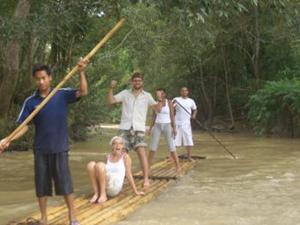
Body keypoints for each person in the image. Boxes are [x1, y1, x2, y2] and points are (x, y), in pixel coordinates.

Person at [0, 59, 89, 225]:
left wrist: (81, 72)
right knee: (41, 187)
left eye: (43, 78)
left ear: (50, 78)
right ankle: (44, 218)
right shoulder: (31, 101)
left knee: (65, 184)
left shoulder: (61, 93)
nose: (41, 81)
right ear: (35, 80)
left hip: (60, 147)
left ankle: (73, 217)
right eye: (38, 79)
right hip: (41, 149)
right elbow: (24, 126)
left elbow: (83, 92)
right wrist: (8, 139)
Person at [107, 72, 163, 188]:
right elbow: (111, 101)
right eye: (135, 80)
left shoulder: (147, 96)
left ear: (142, 82)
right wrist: (111, 88)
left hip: (139, 128)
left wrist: (160, 99)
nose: (137, 82)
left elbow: (158, 109)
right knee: (120, 154)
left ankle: (146, 179)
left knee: (142, 153)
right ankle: (121, 178)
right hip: (124, 127)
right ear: (132, 82)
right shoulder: (125, 93)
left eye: (139, 80)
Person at [86, 136, 144, 203]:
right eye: (115, 143)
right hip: (105, 185)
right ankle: (96, 193)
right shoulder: (108, 156)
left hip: (114, 187)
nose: (118, 145)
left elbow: (128, 174)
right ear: (112, 146)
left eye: (120, 143)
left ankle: (103, 195)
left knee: (99, 165)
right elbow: (101, 172)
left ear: (123, 146)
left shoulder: (125, 157)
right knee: (91, 165)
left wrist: (136, 191)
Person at [148, 88, 181, 173]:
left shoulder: (169, 102)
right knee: (152, 147)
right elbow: (153, 116)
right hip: (157, 125)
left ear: (164, 94)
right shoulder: (155, 103)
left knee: (171, 146)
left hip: (167, 125)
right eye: (157, 94)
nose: (159, 95)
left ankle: (177, 166)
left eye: (160, 93)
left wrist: (174, 128)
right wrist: (150, 128)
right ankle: (148, 166)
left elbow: (172, 116)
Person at [173, 87, 197, 161]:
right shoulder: (176, 99)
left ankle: (189, 157)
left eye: (185, 91)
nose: (184, 92)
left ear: (187, 92)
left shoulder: (191, 101)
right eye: (182, 91)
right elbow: (171, 109)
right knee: (174, 140)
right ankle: (173, 157)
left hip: (187, 124)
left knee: (189, 140)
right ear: (180, 92)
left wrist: (194, 115)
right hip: (177, 123)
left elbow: (195, 109)